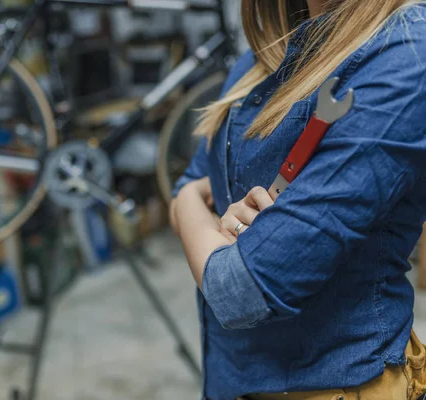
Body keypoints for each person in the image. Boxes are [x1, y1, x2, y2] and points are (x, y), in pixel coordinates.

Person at [170, 0, 426, 399]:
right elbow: (190, 182)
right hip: (230, 378)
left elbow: (238, 291)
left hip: (339, 386)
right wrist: (206, 215)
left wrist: (189, 205)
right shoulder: (260, 62)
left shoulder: (406, 50)